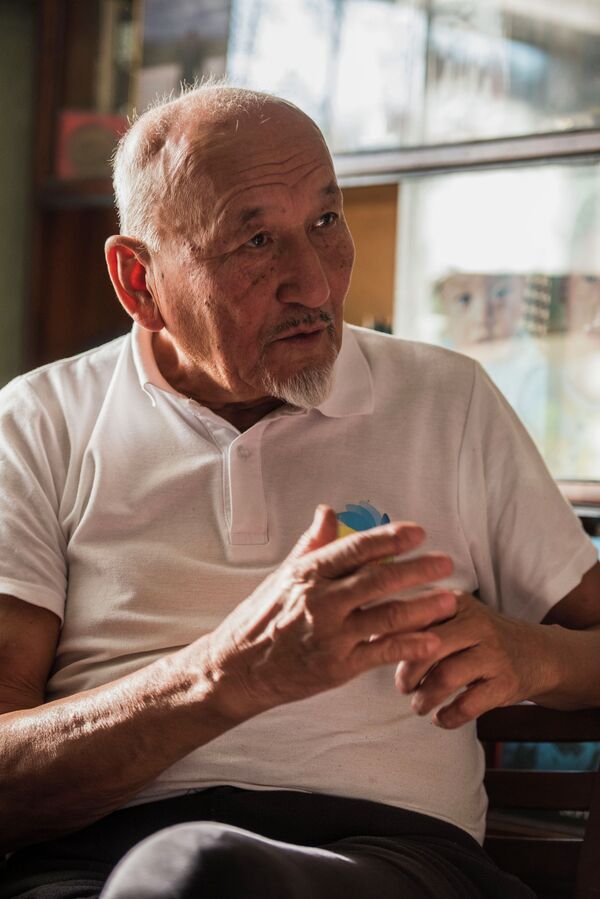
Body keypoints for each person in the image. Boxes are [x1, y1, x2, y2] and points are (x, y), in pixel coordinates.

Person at [0, 85, 598, 899]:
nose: (314, 284)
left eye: (325, 220)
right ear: (139, 280)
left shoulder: (446, 399)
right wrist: (229, 674)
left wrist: (531, 655)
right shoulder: (40, 422)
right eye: (255, 241)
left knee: (205, 877)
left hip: (389, 860)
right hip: (93, 862)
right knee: (191, 875)